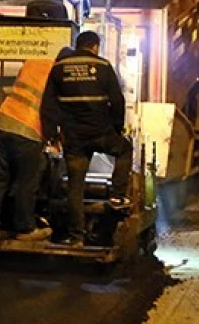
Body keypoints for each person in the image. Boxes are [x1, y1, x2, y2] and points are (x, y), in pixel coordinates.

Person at [42, 31, 132, 247]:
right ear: (95, 46)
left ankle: (77, 237)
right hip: (100, 132)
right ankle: (118, 195)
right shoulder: (102, 66)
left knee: (75, 187)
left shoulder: (58, 68)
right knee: (125, 150)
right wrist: (116, 128)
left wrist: (53, 134)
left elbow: (48, 105)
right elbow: (117, 100)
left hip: (74, 138)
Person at [0, 57, 55, 242]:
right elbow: (52, 109)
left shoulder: (32, 63)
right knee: (26, 181)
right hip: (28, 130)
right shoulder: (57, 72)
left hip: (3, 122)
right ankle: (25, 228)